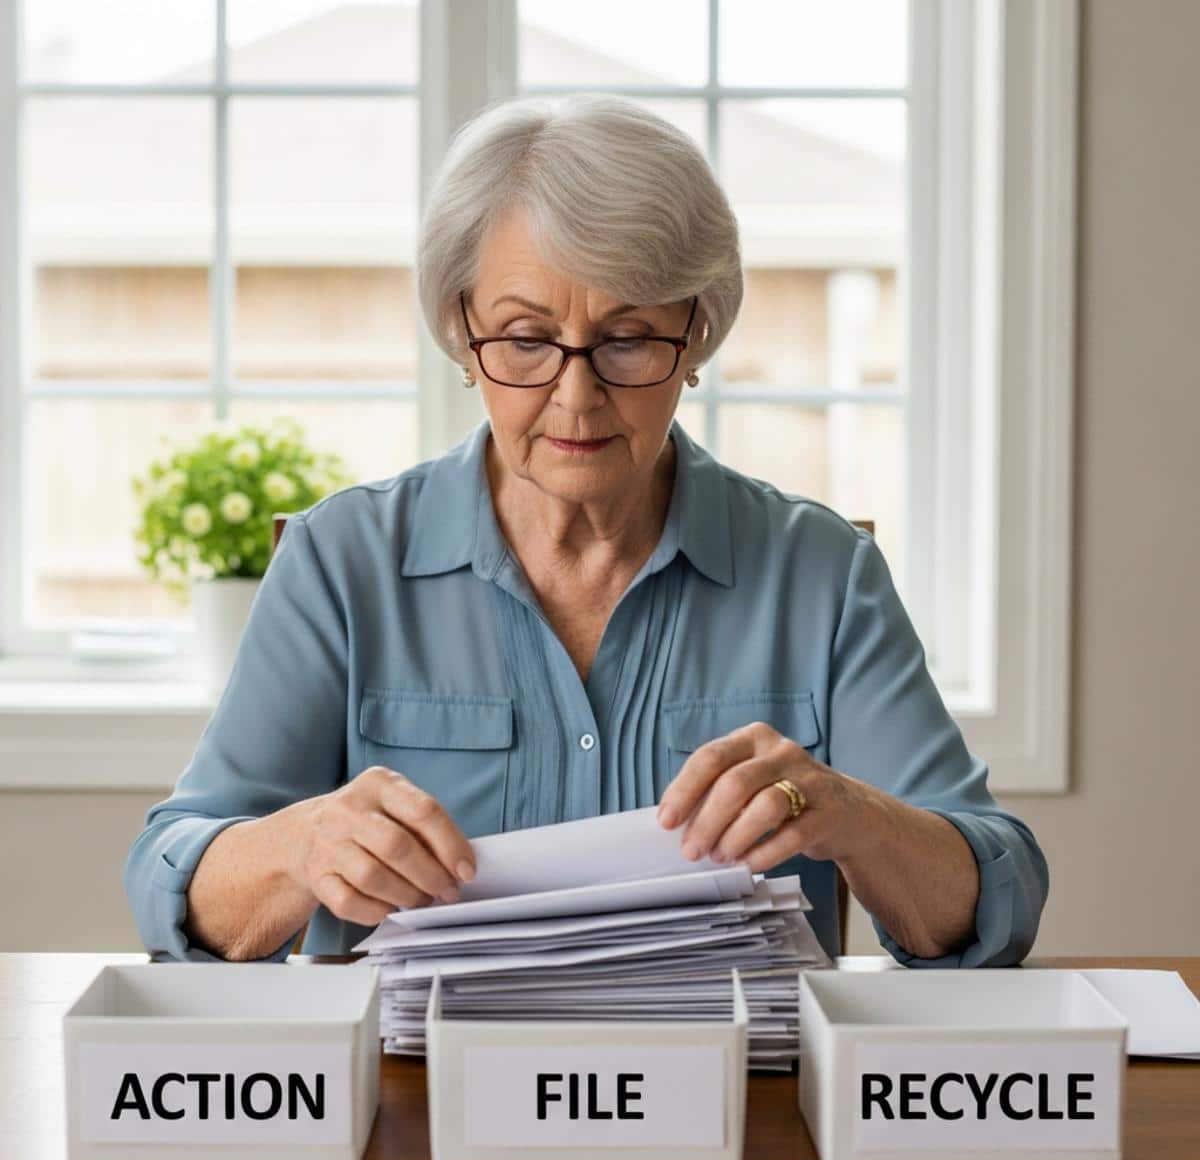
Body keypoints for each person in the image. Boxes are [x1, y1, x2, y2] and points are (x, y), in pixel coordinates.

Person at [126, 94, 1047, 967]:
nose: (576, 395)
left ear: (698, 338)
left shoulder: (823, 574)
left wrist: (855, 816)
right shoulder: (342, 563)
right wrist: (297, 848)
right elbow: (175, 893)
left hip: (739, 1113)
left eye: (630, 338)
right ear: (461, 333)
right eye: (525, 339)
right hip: (415, 1111)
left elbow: (996, 908)